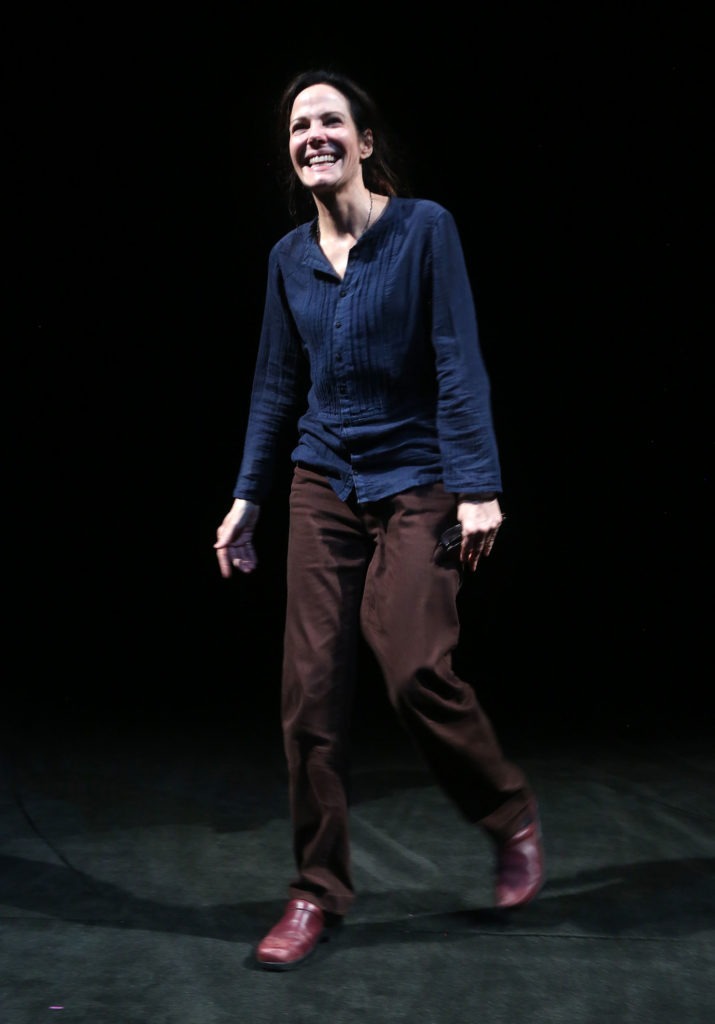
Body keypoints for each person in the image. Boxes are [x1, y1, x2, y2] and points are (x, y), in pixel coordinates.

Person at [214, 68, 544, 971]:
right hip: (323, 482)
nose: (311, 134)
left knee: (411, 670)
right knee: (308, 698)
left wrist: (478, 484)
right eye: (297, 125)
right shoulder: (288, 258)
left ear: (363, 142)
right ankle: (314, 892)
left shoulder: (425, 229)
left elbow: (456, 357)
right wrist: (247, 497)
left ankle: (507, 812)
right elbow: (276, 384)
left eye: (329, 120)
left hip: (417, 481)